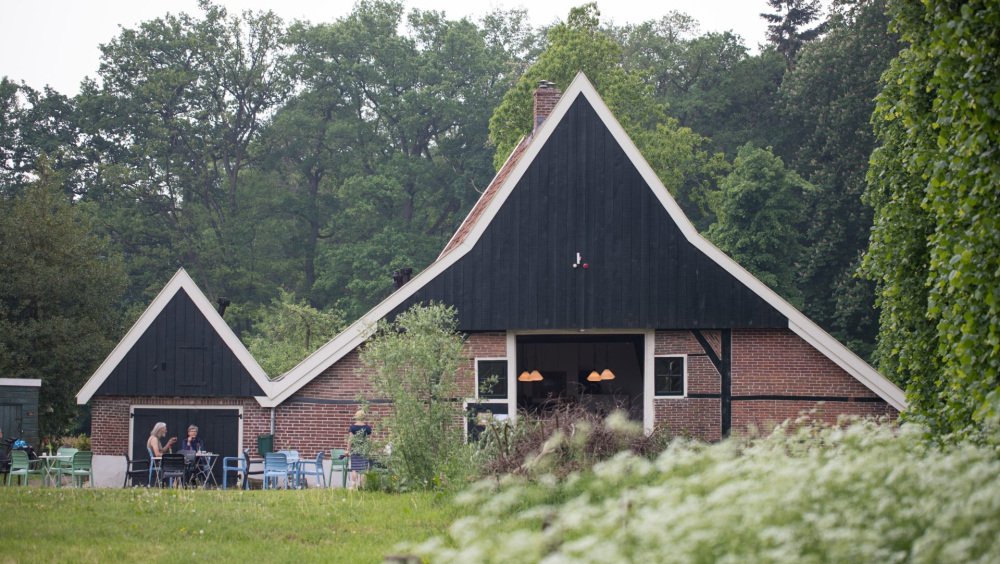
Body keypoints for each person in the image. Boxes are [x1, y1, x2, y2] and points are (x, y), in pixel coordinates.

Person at [347, 410, 372, 490]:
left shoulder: (352, 427)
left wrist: (348, 449)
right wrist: (370, 449)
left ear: (356, 417)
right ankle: (363, 487)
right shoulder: (367, 428)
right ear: (364, 417)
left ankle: (355, 487)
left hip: (355, 450)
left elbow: (350, 439)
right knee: (363, 469)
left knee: (354, 469)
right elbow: (370, 440)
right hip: (364, 450)